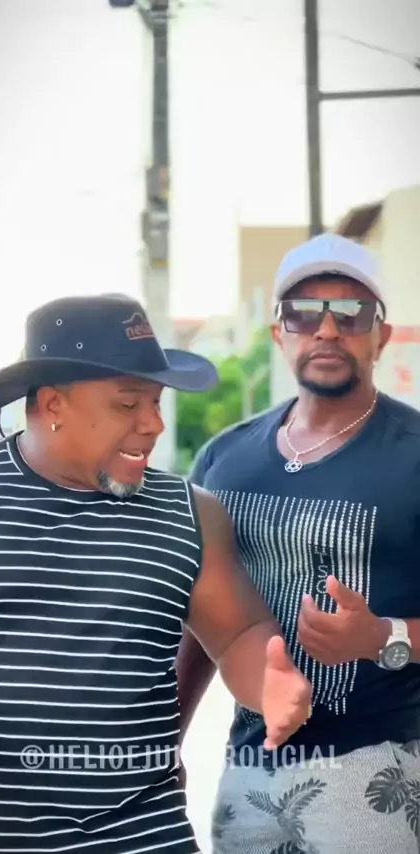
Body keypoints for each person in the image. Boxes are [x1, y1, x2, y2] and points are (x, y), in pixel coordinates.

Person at [0, 292, 312, 854]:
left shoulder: (191, 514)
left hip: (141, 835)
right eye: (127, 404)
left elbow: (238, 632)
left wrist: (270, 680)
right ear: (53, 403)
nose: (154, 424)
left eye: (156, 402)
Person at [177, 233, 420, 854]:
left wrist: (383, 636)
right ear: (278, 334)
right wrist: (163, 745)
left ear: (381, 337)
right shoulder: (223, 460)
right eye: (304, 313)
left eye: (352, 314)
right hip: (251, 770)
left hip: (382, 767)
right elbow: (200, 627)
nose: (327, 330)